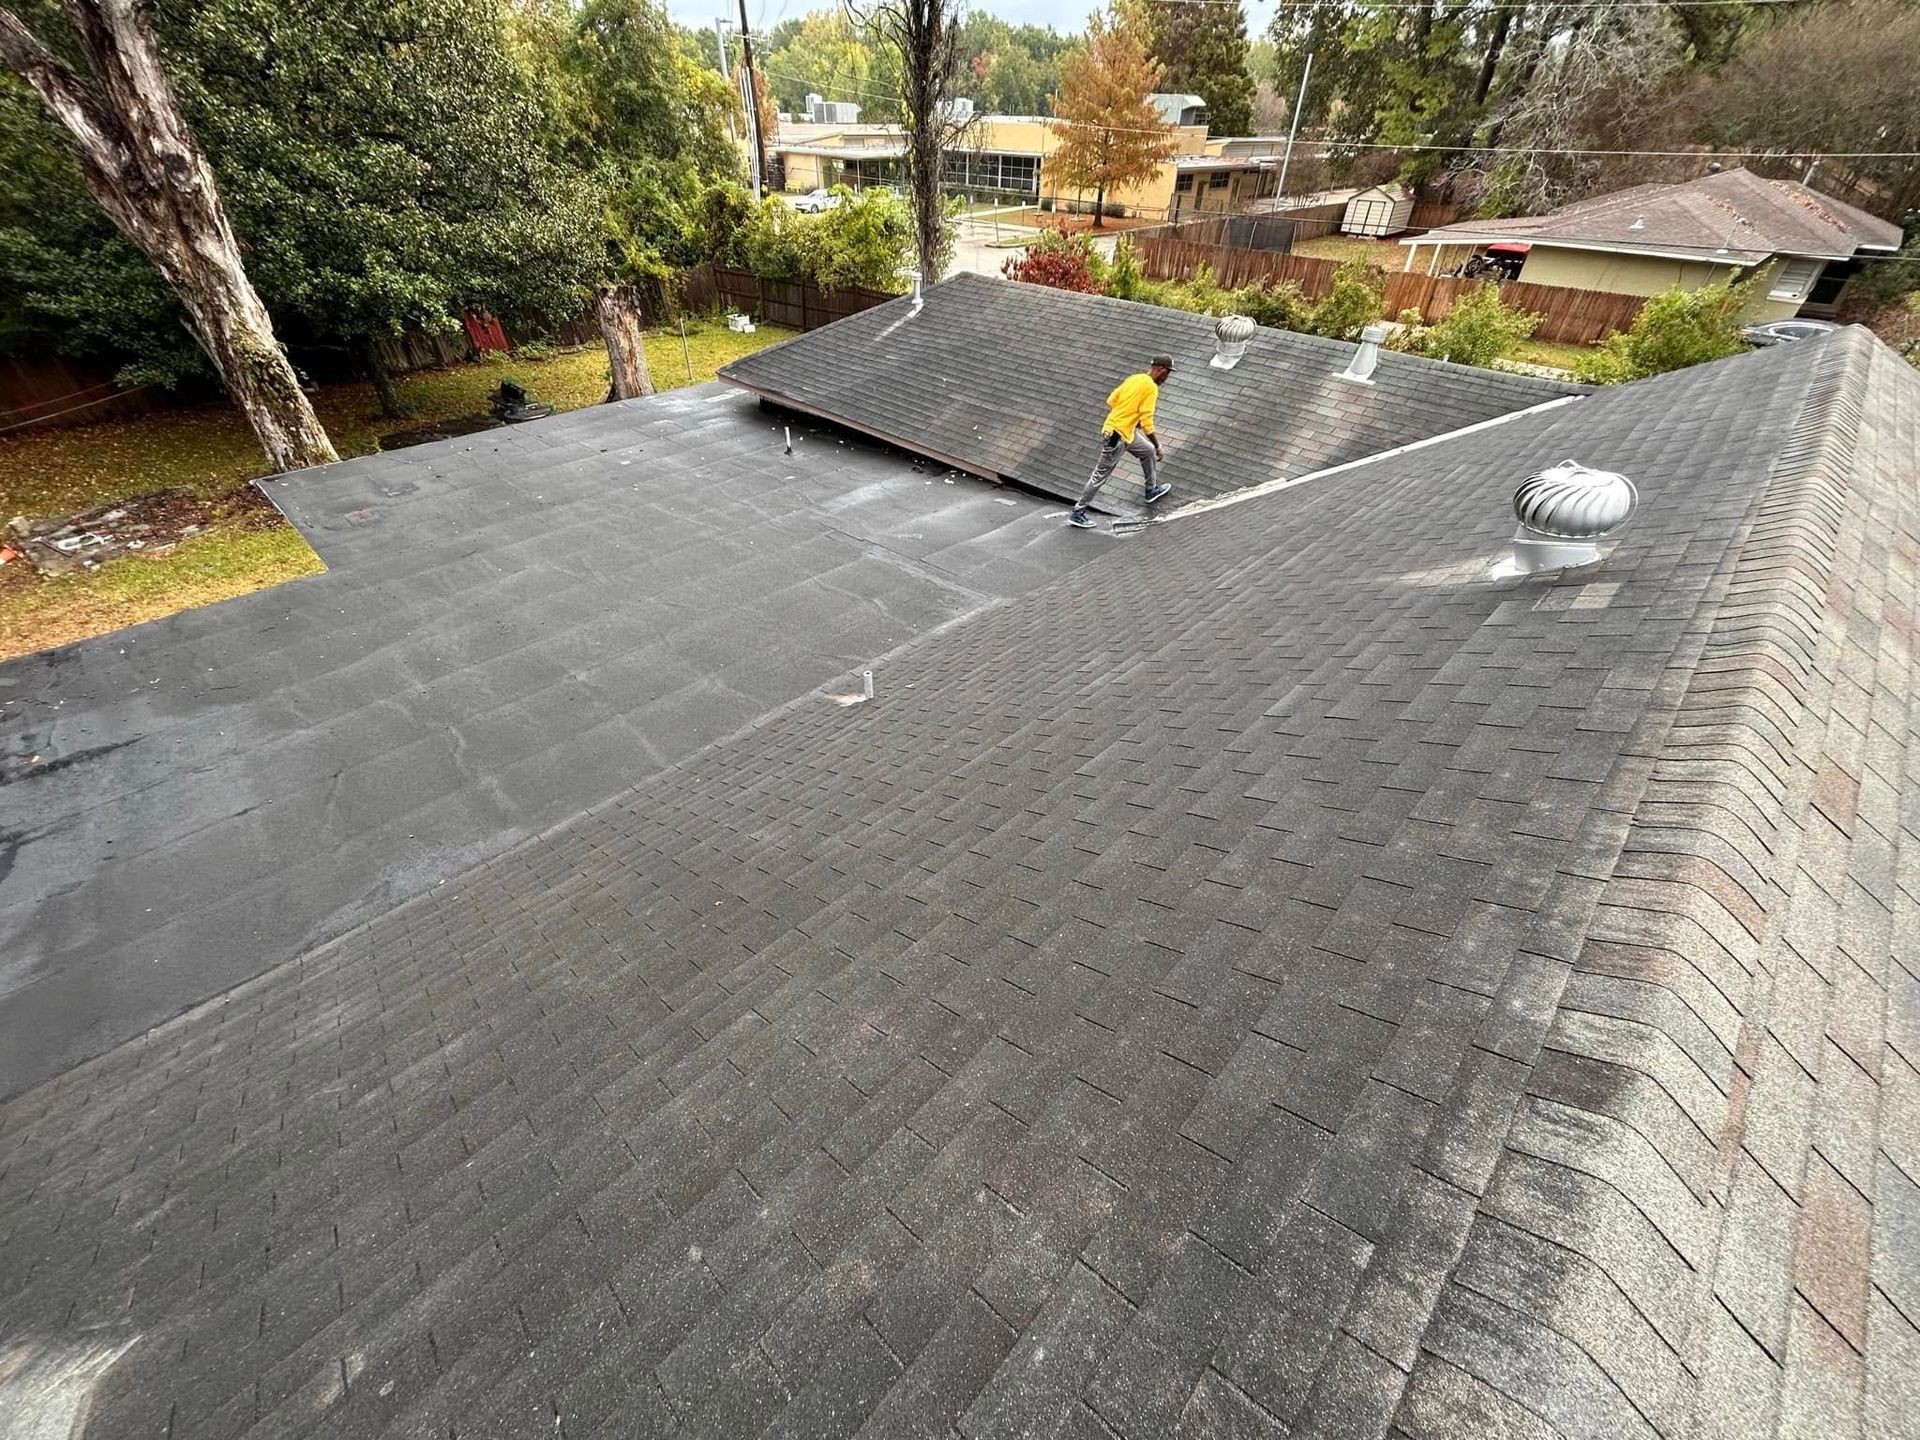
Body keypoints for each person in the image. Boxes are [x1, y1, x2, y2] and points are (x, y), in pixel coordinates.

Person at [1068, 356, 1173, 528]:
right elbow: (1147, 422)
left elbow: (1112, 400)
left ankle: (1150, 490)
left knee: (1146, 451)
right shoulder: (1151, 388)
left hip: (1124, 432)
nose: (1166, 377)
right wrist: (1158, 445)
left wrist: (1129, 417)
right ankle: (1077, 512)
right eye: (1167, 373)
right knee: (1099, 476)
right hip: (1116, 437)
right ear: (1161, 369)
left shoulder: (1134, 378)